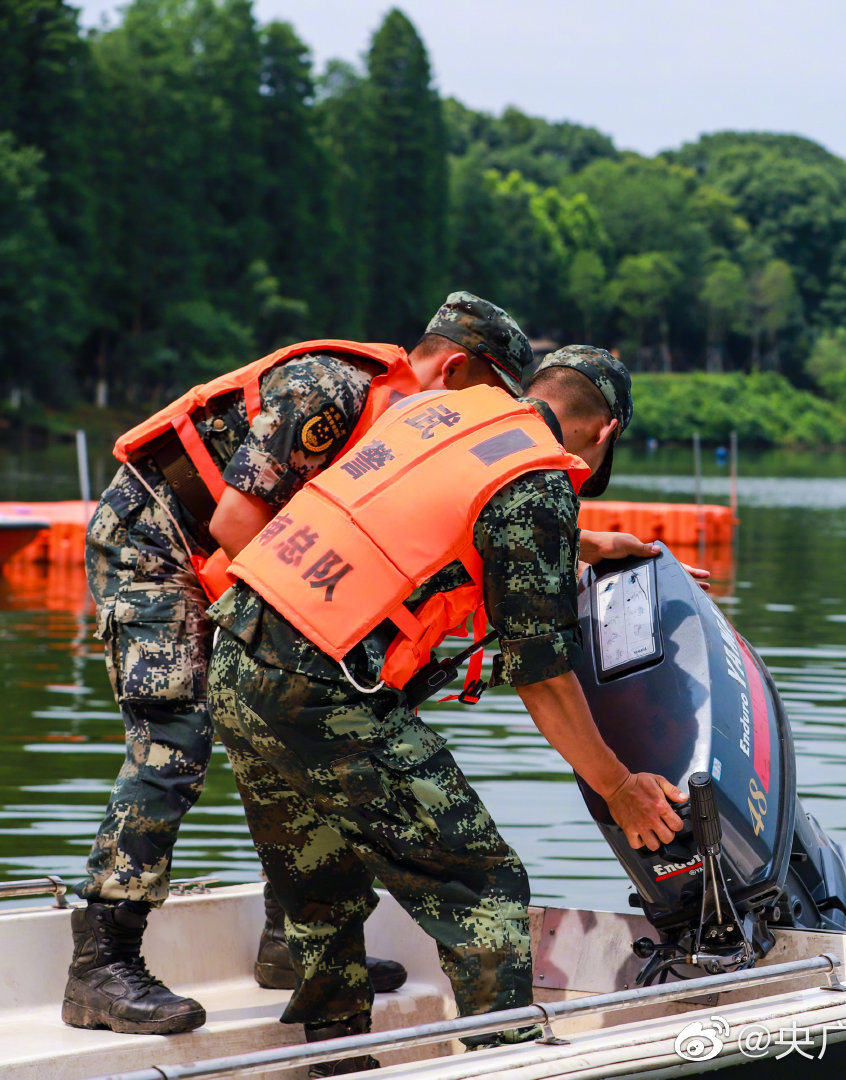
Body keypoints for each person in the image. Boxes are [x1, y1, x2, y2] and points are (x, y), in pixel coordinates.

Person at [66, 293, 538, 1036]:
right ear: (457, 367)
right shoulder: (331, 392)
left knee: (301, 720)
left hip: (239, 571)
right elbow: (235, 522)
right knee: (176, 739)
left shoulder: (403, 429)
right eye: (492, 401)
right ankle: (101, 964)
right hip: (158, 545)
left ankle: (291, 942)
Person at [205, 346, 684, 1072]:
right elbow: (543, 675)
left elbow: (424, 514)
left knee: (322, 877)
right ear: (606, 430)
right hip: (321, 687)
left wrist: (579, 547)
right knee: (483, 884)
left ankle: (337, 1060)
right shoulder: (538, 481)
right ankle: (504, 1064)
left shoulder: (440, 411)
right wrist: (619, 787)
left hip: (239, 654)